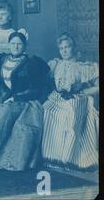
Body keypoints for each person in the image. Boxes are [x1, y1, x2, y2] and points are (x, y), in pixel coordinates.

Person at [0, 31, 50, 171]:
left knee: (4, 115)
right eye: (13, 43)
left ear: (25, 46)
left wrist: (15, 98)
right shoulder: (3, 59)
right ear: (9, 45)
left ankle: (6, 160)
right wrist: (4, 96)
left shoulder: (31, 63)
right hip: (8, 99)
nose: (16, 46)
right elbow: (3, 83)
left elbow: (36, 90)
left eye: (19, 44)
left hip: (25, 102)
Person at [42, 33, 99, 171]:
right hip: (58, 96)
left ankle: (68, 158)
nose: (65, 50)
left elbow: (97, 85)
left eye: (67, 47)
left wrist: (85, 92)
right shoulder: (56, 64)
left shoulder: (84, 66)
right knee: (46, 109)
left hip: (77, 98)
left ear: (74, 48)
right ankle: (53, 156)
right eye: (62, 48)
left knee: (69, 112)